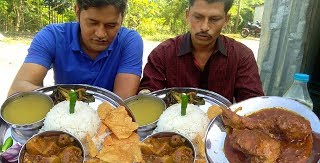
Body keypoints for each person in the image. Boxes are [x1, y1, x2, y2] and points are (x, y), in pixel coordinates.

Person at [8, 0, 143, 100]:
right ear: (77, 11)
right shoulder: (52, 36)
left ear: (122, 18)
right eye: (92, 23)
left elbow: (121, 102)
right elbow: (17, 91)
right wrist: (68, 99)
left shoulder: (129, 41)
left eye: (111, 25)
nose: (101, 33)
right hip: (61, 118)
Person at [139, 0, 264, 103]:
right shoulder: (163, 53)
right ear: (187, 15)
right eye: (198, 17)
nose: (204, 27)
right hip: (173, 130)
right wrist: (145, 95)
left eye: (214, 19)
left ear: (227, 20)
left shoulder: (241, 56)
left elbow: (253, 104)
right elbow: (149, 95)